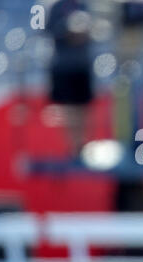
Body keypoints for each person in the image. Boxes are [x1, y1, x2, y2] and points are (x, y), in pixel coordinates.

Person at [46, 0, 94, 159]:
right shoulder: (55, 6)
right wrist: (68, 30)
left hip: (82, 65)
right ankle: (74, 145)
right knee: (69, 108)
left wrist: (85, 32)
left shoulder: (84, 5)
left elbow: (97, 29)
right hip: (64, 66)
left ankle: (82, 143)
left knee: (82, 107)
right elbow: (49, 29)